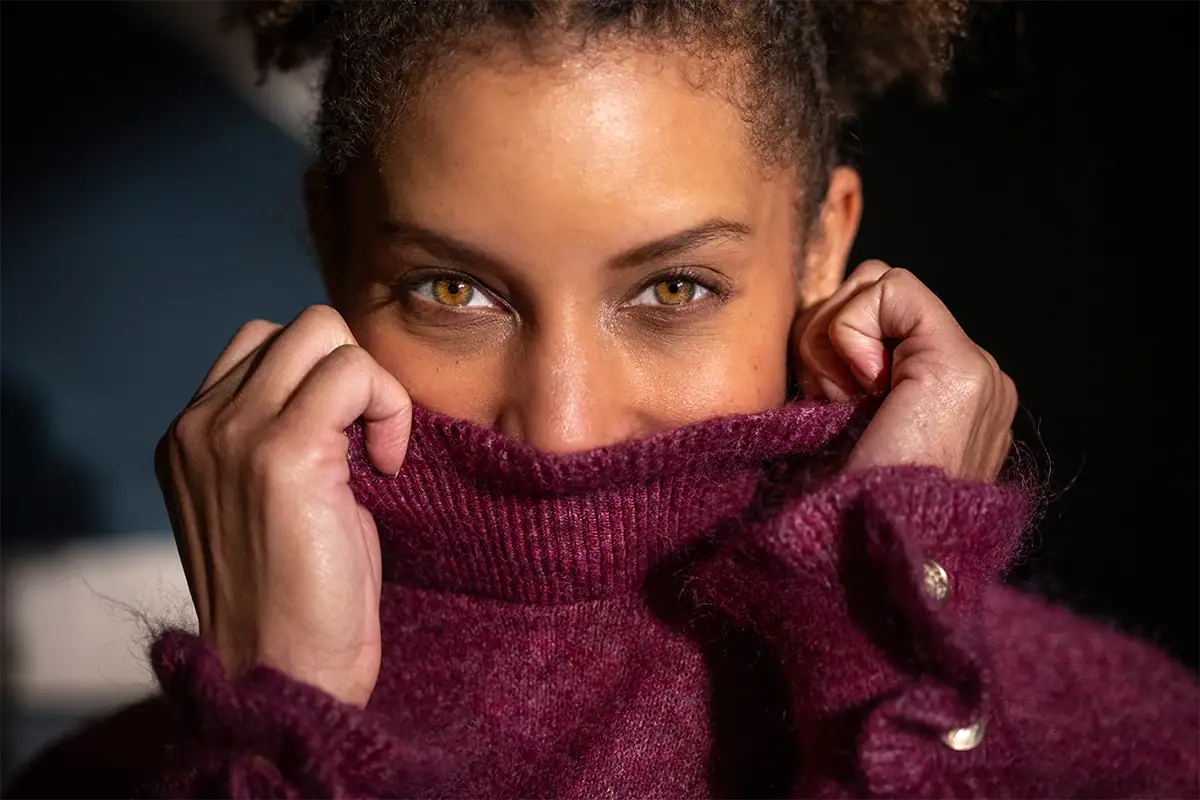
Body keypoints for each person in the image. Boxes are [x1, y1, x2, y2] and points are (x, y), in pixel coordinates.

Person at [7, 1, 1199, 798]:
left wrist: (890, 645)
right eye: (454, 287)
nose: (564, 422)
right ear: (333, 239)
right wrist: (281, 720)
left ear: (823, 247)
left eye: (674, 286)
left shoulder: (1131, 745)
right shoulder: (111, 786)